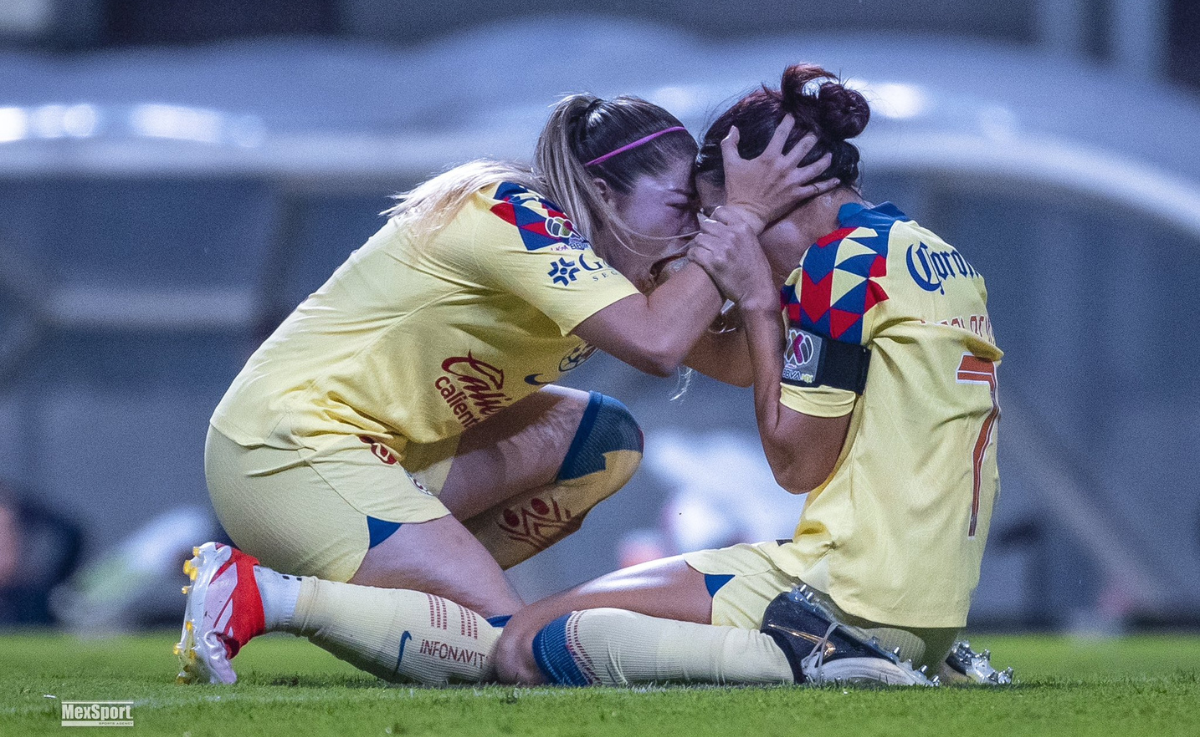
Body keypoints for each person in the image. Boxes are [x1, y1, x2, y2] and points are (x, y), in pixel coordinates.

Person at [177, 93, 838, 685]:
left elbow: (734, 361)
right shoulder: (511, 211)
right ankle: (263, 595)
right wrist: (742, 217)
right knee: (509, 648)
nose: (695, 230)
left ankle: (419, 596)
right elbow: (658, 343)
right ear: (603, 195)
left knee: (604, 443)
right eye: (680, 208)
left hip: (385, 457)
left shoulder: (625, 263)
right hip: (289, 448)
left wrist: (784, 278)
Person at [491, 64, 1010, 688]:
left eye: (721, 218)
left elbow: (797, 465)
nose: (718, 241)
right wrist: (640, 287)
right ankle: (866, 656)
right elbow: (740, 360)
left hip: (842, 591)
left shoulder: (836, 268)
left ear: (781, 198)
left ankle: (816, 655)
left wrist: (760, 302)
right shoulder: (930, 254)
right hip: (927, 616)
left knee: (527, 642)